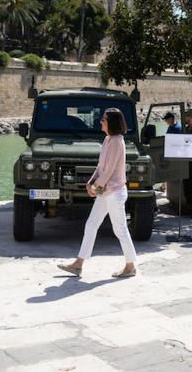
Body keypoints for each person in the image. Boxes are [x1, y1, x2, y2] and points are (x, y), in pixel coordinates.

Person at [58, 108, 137, 278]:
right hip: (106, 191)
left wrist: (94, 187)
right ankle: (78, 264)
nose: (101, 121)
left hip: (114, 193)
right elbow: (101, 167)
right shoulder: (108, 139)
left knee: (120, 229)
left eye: (104, 119)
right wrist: (91, 181)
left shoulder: (116, 141)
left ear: (112, 122)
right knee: (91, 225)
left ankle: (130, 266)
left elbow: (108, 172)